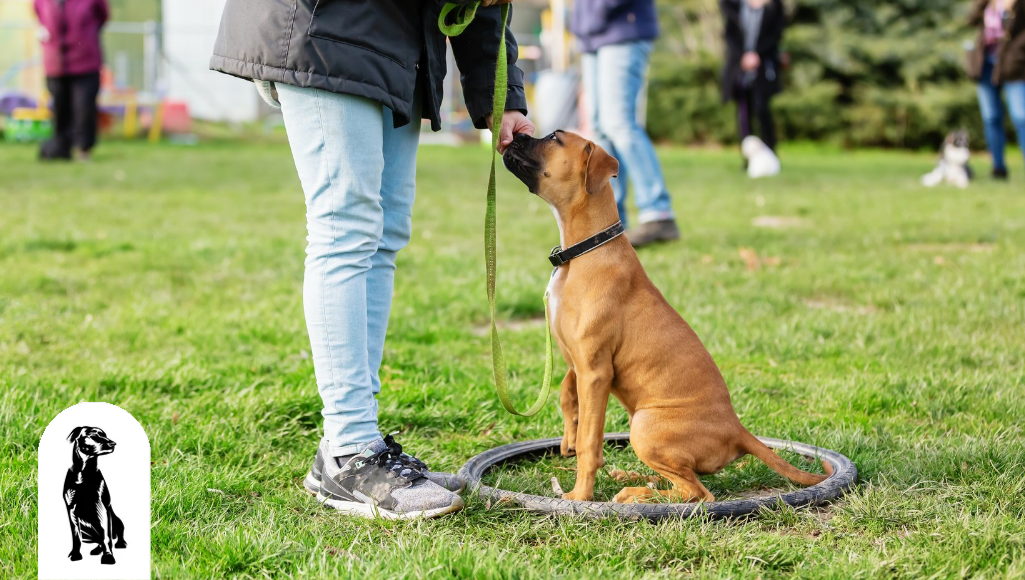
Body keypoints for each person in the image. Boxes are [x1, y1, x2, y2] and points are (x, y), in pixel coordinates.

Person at [210, 0, 533, 520]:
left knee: (383, 232)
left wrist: (500, 92)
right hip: (326, 26)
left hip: (396, 43)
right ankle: (349, 450)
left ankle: (357, 446)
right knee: (345, 226)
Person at [571, 0, 681, 248]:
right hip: (592, 35)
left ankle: (658, 212)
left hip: (622, 27)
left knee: (619, 123)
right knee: (599, 128)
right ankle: (612, 220)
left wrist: (598, 9)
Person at [33, 0, 108, 161]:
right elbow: (39, 15)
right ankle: (61, 147)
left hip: (85, 60)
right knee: (60, 107)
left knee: (84, 108)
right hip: (55, 62)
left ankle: (83, 149)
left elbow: (103, 16)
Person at [720, 0, 786, 155]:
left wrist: (757, 55)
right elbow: (729, 34)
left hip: (764, 66)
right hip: (739, 66)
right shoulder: (733, 6)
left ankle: (770, 153)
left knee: (762, 109)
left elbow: (776, 34)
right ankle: (748, 157)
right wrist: (743, 56)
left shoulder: (774, 6)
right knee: (743, 112)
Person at [969, 0, 1025, 180]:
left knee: (1021, 117)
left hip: (1014, 66)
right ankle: (998, 167)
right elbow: (970, 20)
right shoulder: (987, 3)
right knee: (991, 117)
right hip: (985, 65)